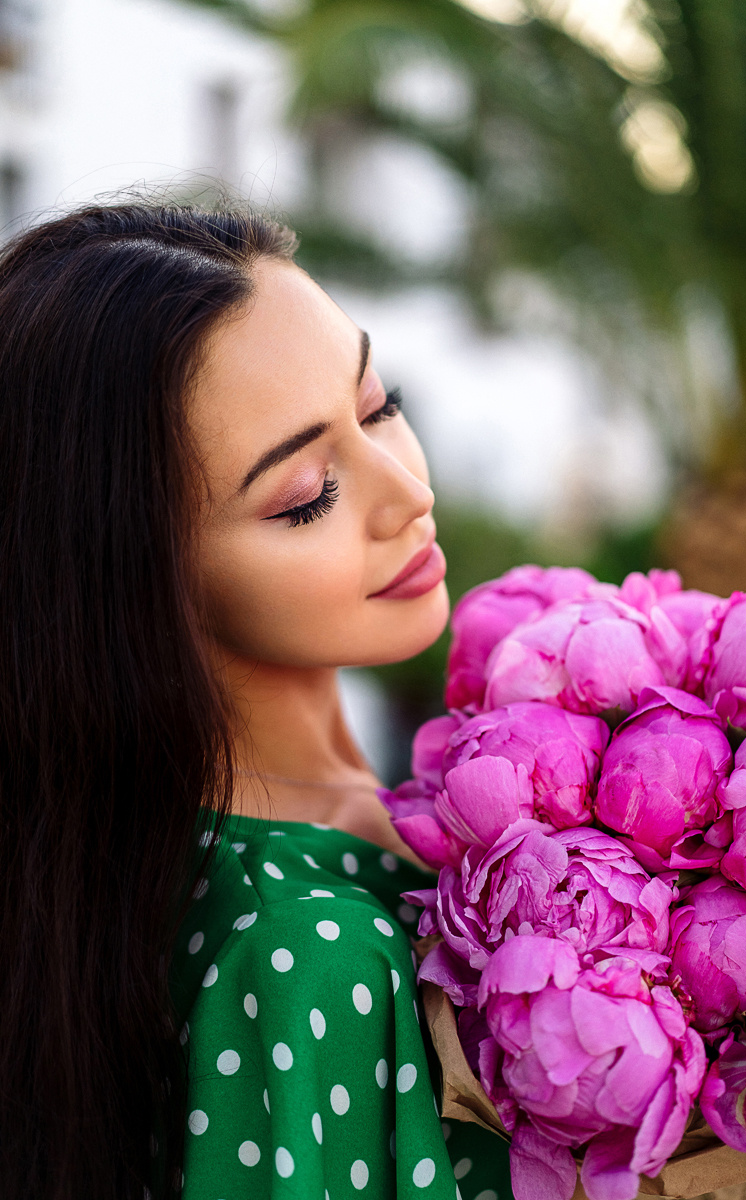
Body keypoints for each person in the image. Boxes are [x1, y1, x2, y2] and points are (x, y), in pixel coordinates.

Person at [0, 202, 512, 1200]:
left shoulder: (166, 855)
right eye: (306, 494)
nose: (406, 491)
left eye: (377, 404)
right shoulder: (302, 957)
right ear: (134, 582)